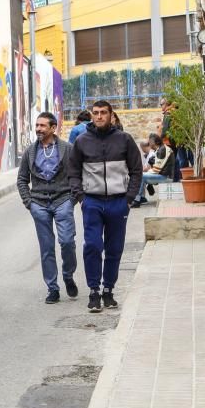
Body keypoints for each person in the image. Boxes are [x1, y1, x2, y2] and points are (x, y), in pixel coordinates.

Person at [68, 100, 142, 313]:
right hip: (92, 201)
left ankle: (108, 290)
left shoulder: (124, 140)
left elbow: (136, 170)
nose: (99, 116)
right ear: (92, 116)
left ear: (111, 115)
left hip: (119, 202)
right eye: (96, 113)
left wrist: (129, 199)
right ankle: (93, 291)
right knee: (92, 245)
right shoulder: (82, 141)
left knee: (114, 248)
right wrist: (81, 198)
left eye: (103, 113)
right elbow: (73, 172)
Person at [16, 112, 78, 304]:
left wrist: (72, 199)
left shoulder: (67, 149)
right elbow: (22, 180)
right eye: (37, 125)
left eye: (43, 126)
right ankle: (52, 288)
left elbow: (76, 176)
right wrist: (29, 202)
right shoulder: (30, 152)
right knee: (46, 248)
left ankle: (68, 275)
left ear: (53, 128)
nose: (38, 129)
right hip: (39, 203)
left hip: (62, 200)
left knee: (67, 241)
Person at [133, 134, 175, 206]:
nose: (148, 143)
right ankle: (141, 198)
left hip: (166, 177)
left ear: (153, 142)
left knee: (141, 176)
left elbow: (156, 170)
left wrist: (145, 172)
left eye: (149, 141)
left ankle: (137, 201)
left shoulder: (162, 150)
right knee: (142, 176)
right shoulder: (160, 149)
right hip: (163, 175)